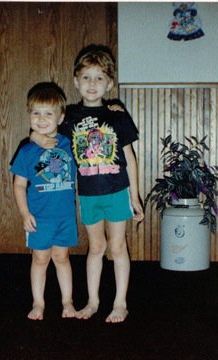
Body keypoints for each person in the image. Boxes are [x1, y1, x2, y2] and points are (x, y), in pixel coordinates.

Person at [31, 44, 144, 323]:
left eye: (99, 78)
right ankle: (93, 301)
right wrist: (35, 138)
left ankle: (120, 303)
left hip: (117, 191)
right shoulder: (68, 116)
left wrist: (136, 196)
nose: (92, 84)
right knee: (95, 248)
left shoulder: (117, 115)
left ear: (110, 83)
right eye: (86, 77)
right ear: (75, 81)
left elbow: (129, 158)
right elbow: (43, 128)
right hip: (89, 195)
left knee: (117, 247)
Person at [10, 82, 78, 320]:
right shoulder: (27, 151)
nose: (41, 118)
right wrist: (24, 213)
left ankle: (67, 302)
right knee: (40, 259)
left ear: (60, 118)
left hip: (65, 217)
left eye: (48, 113)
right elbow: (18, 185)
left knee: (62, 258)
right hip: (39, 218)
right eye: (35, 113)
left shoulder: (69, 143)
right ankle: (38, 303)